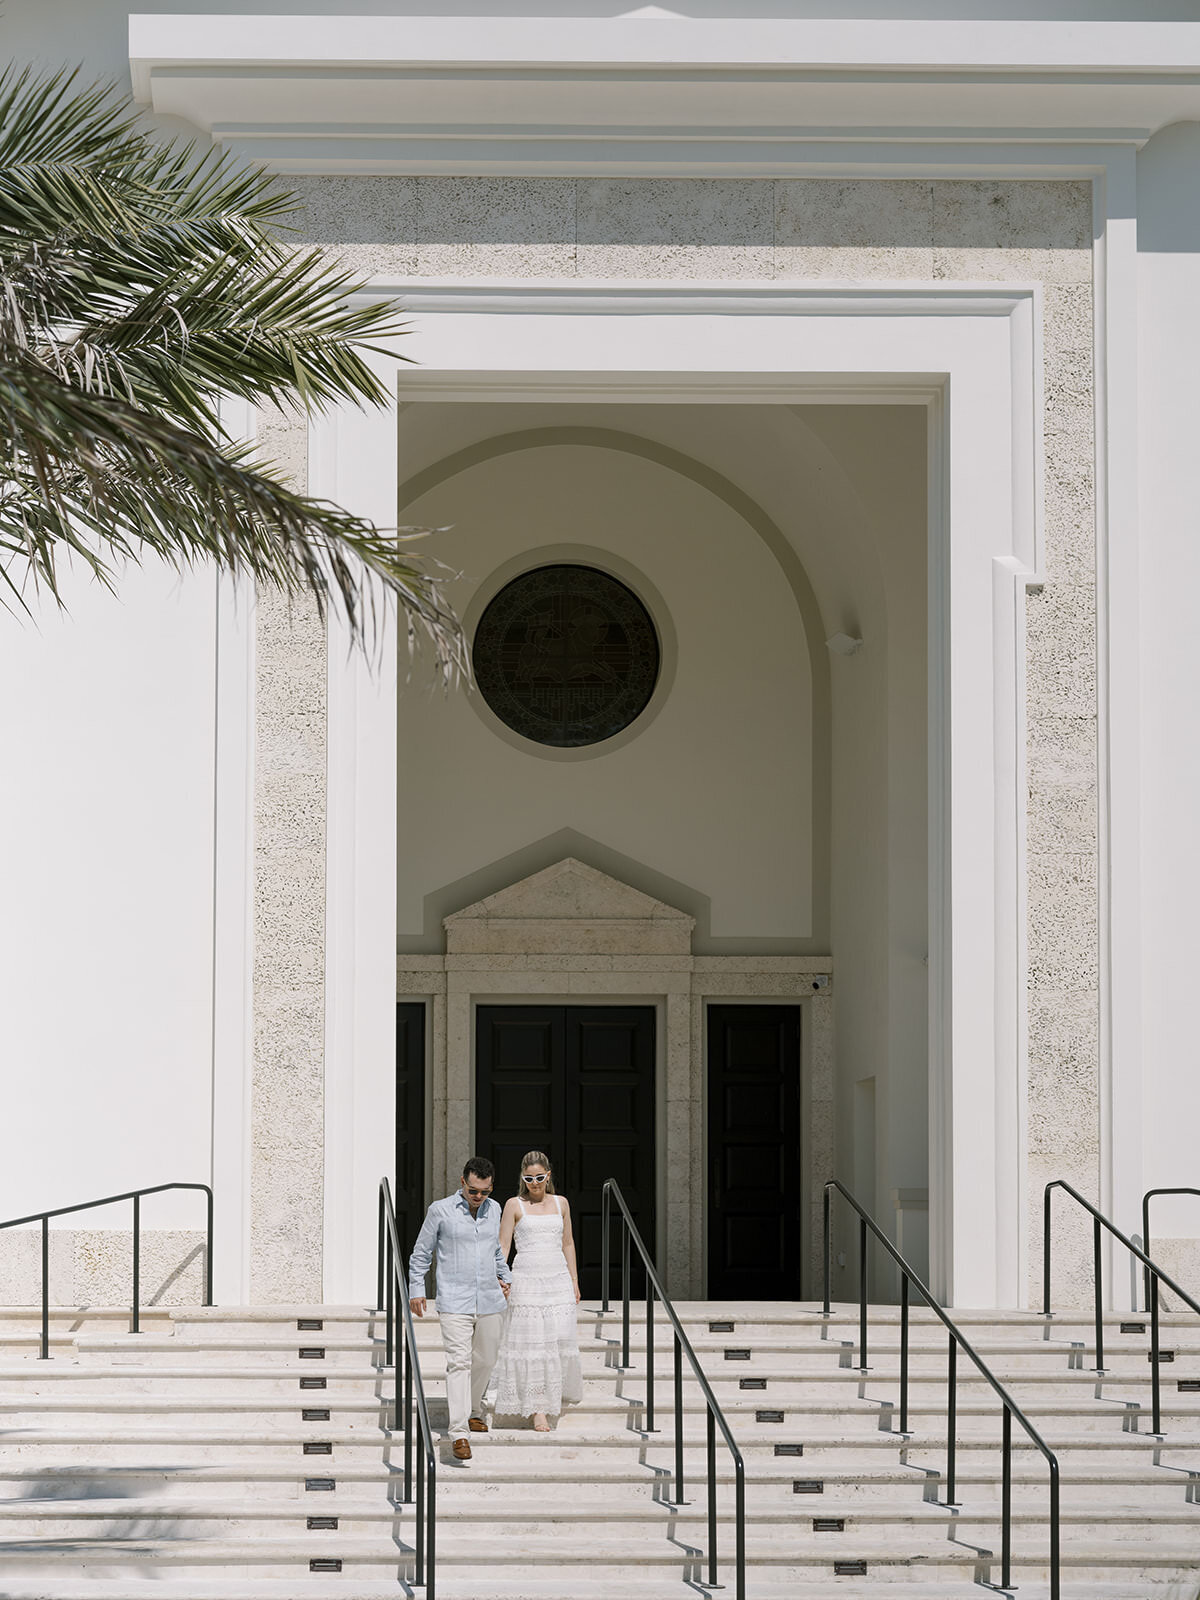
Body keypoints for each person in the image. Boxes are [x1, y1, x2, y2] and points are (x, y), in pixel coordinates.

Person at [408, 1156, 511, 1462]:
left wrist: (505, 1276)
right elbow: (421, 1252)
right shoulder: (440, 1210)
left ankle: (475, 1410)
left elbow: (494, 1250)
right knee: (459, 1362)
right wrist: (417, 1289)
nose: (479, 1197)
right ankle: (458, 1433)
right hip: (454, 1299)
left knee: (487, 1358)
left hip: (491, 1298)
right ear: (463, 1182)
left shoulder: (495, 1210)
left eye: (485, 1192)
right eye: (474, 1190)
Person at [492, 1150, 583, 1432]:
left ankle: (552, 1395)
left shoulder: (561, 1203)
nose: (534, 1183)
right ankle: (537, 1410)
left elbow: (568, 1243)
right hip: (527, 1280)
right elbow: (503, 1246)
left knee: (555, 1341)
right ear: (522, 1178)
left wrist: (574, 1281)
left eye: (539, 1177)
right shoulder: (513, 1204)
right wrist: (499, 1278)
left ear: (548, 1175)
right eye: (529, 1178)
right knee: (533, 1344)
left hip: (556, 1280)